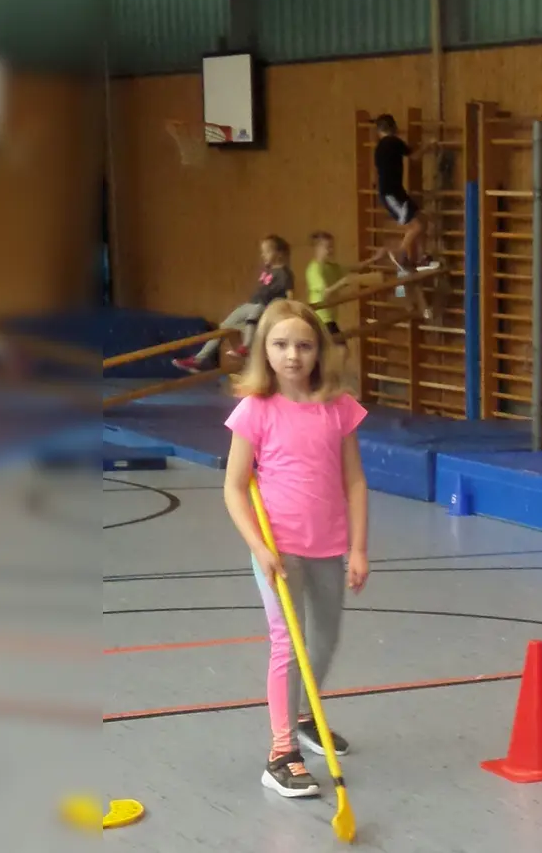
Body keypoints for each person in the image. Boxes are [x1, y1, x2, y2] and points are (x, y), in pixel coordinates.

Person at [221, 299, 370, 799]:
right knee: (289, 643)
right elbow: (235, 488)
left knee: (324, 641)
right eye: (281, 345)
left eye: (304, 346)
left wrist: (359, 548)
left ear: (318, 352)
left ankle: (306, 715)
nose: (292, 355)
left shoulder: (338, 407)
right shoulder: (254, 411)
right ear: (264, 349)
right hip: (278, 551)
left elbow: (354, 482)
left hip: (328, 546)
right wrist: (258, 547)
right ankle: (281, 754)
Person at [174, 235, 294, 373]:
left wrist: (287, 314)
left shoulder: (284, 274)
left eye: (267, 251)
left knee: (255, 320)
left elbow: (289, 296)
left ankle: (246, 348)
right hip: (250, 306)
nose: (263, 255)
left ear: (278, 253)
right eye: (262, 252)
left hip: (262, 310)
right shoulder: (268, 270)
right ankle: (198, 360)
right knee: (223, 329)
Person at [372, 113, 442, 273]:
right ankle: (400, 254)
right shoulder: (393, 142)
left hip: (397, 192)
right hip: (392, 195)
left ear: (379, 131)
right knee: (416, 226)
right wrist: (429, 145)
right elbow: (415, 156)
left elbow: (377, 173)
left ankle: (422, 258)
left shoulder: (379, 149)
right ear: (394, 128)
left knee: (422, 220)